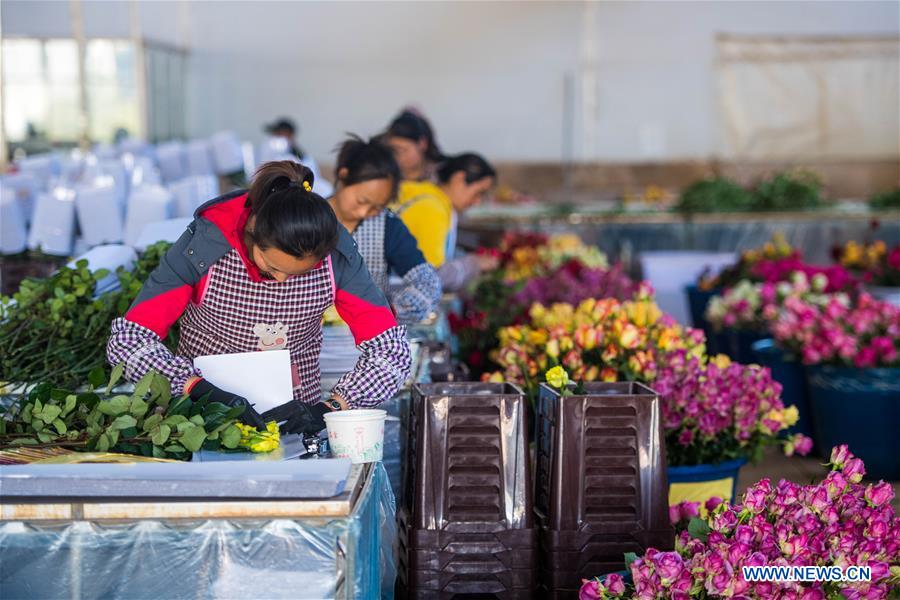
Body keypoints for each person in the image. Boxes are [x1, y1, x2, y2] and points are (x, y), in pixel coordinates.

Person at [107, 161, 411, 435]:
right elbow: (129, 341)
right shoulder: (205, 247)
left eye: (297, 274)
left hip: (292, 425)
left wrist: (330, 408)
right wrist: (193, 386)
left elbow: (391, 351)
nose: (280, 281)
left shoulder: (338, 258)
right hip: (198, 421)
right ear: (252, 233)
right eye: (272, 267)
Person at [328, 135, 441, 324]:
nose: (365, 212)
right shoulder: (308, 217)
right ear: (343, 175)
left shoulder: (388, 226)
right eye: (362, 201)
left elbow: (427, 282)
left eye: (377, 207)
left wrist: (389, 312)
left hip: (368, 340)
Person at [393, 152, 499, 292]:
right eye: (478, 192)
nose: (478, 201)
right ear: (459, 179)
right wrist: (474, 264)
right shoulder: (432, 209)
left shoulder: (424, 196)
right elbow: (431, 275)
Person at [261, 117, 333, 197]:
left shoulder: (303, 157)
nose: (277, 138)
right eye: (276, 134)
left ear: (290, 135)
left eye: (280, 134)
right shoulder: (271, 150)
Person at [383, 109, 444, 182]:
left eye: (404, 150)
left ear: (422, 144)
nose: (399, 156)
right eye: (394, 150)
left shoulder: (442, 176)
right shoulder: (387, 178)